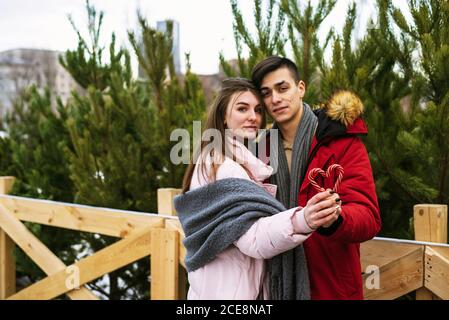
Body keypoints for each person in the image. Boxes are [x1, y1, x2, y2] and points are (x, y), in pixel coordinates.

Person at [174, 78, 340, 300]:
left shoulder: (219, 159)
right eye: (242, 108)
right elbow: (252, 238)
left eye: (258, 110)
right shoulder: (225, 168)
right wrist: (303, 219)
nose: (253, 117)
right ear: (223, 115)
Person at [251, 56, 381, 300]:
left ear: (300, 88)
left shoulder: (340, 140)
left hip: (331, 287)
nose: (276, 99)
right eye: (267, 93)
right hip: (274, 287)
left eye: (282, 88)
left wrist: (336, 218)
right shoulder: (259, 153)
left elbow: (369, 216)